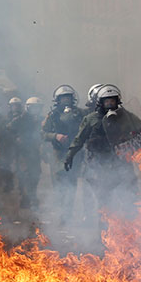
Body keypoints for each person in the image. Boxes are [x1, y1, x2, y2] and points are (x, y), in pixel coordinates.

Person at [64, 84, 141, 216]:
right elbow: (79, 139)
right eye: (106, 101)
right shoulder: (90, 118)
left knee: (130, 196)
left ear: (117, 101)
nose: (109, 104)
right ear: (100, 103)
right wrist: (70, 155)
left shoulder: (126, 116)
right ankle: (104, 233)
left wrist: (137, 144)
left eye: (112, 101)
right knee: (104, 202)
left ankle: (131, 227)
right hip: (99, 164)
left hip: (121, 161)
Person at [41, 85, 86, 218]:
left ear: (72, 99)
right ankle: (61, 212)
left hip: (75, 153)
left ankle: (67, 214)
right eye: (63, 98)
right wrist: (56, 136)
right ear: (58, 100)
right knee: (59, 184)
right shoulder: (52, 115)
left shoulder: (80, 113)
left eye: (68, 98)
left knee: (72, 183)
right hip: (58, 154)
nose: (66, 100)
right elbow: (42, 133)